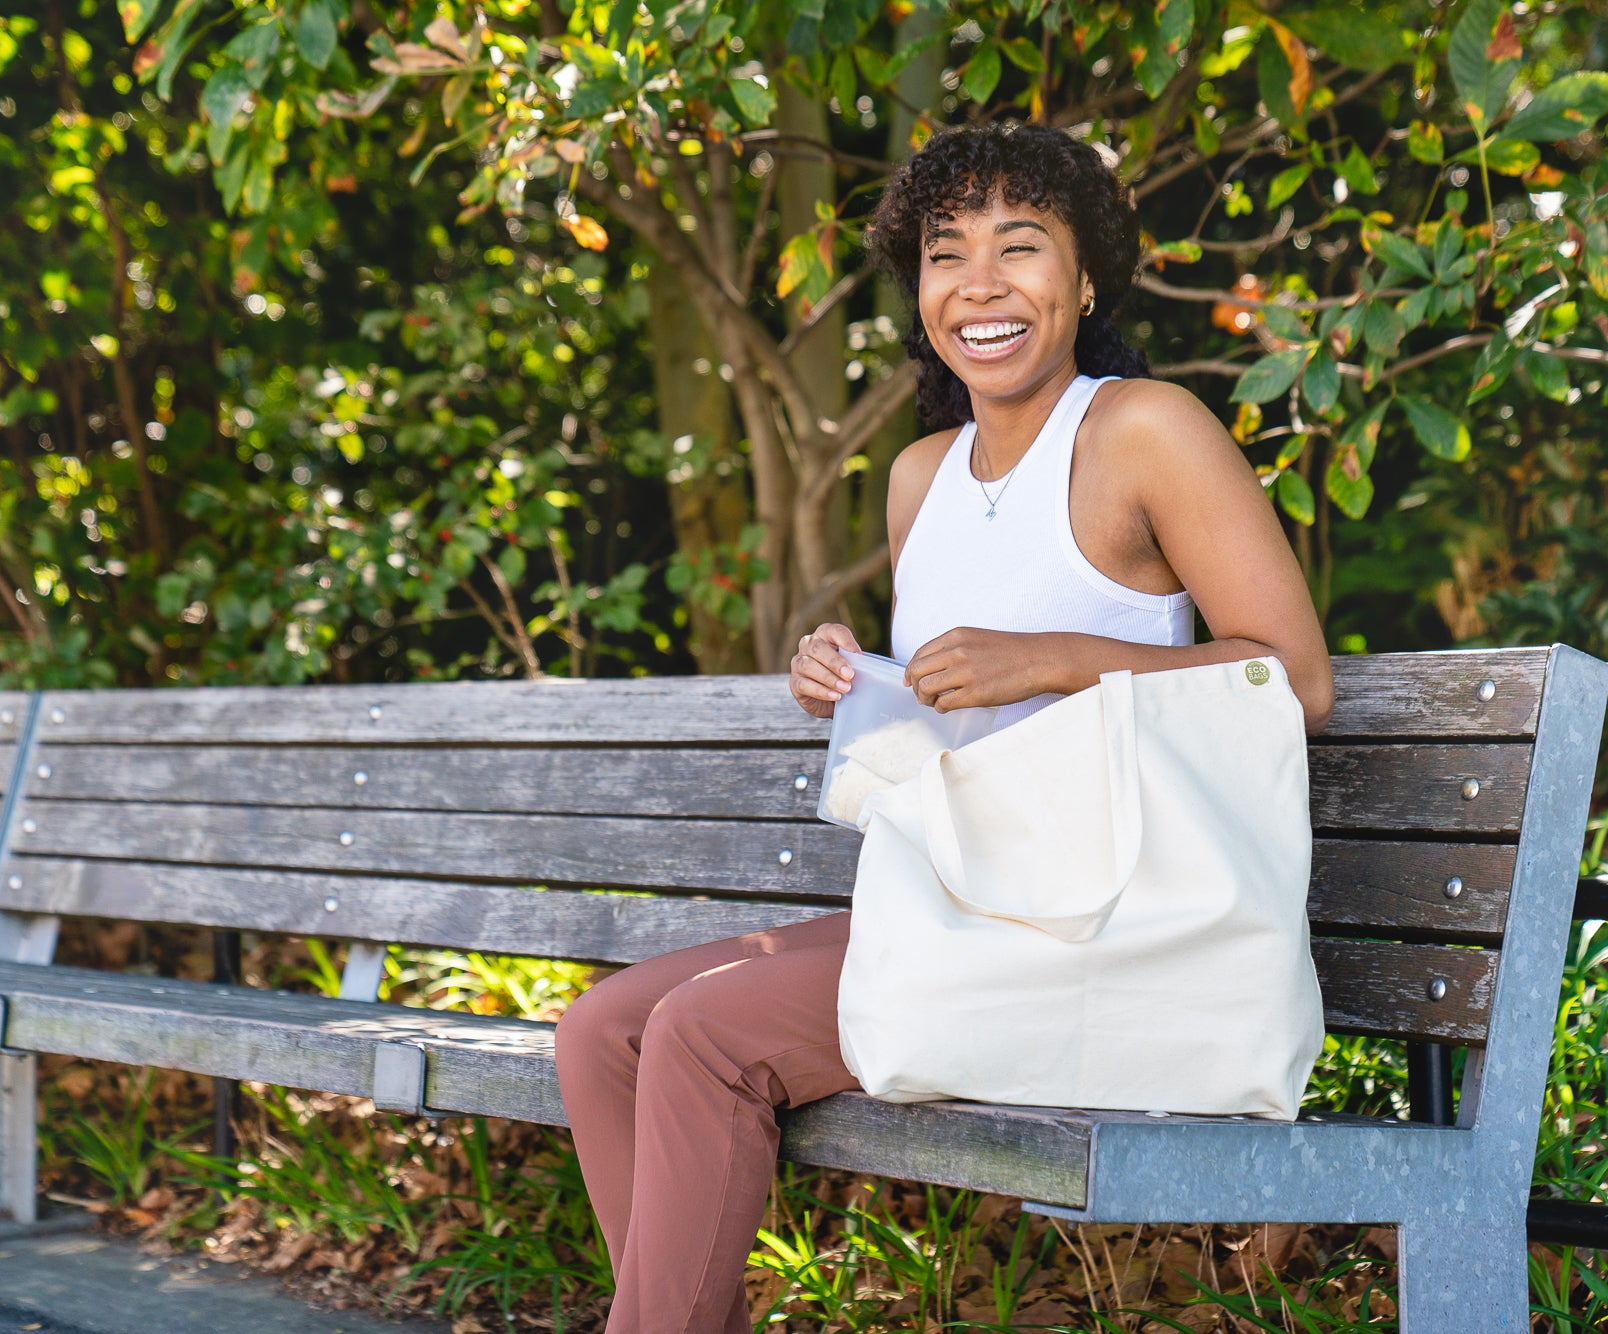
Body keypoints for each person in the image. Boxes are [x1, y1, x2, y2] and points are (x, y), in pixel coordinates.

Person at [553, 120, 1335, 1334]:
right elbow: (942, 713)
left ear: (1081, 281)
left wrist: (1061, 658)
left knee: (704, 1032)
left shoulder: (1142, 430)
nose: (978, 282)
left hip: (1105, 918)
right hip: (964, 892)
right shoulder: (920, 474)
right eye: (943, 251)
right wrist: (851, 673)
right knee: (604, 1028)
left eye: (1018, 247)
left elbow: (1294, 680)